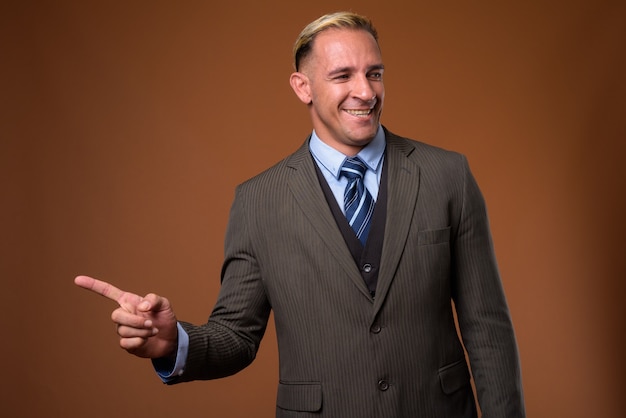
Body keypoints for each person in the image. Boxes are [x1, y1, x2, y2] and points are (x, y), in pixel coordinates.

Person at [75, 11, 525, 417]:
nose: (365, 91)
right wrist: (174, 344)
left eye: (375, 73)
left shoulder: (447, 175)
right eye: (343, 75)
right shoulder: (258, 201)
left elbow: (487, 328)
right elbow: (237, 336)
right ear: (302, 87)